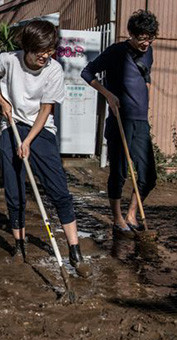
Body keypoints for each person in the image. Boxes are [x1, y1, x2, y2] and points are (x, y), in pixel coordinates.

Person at [0, 20, 91, 277]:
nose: (45, 55)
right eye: (40, 51)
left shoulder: (53, 70)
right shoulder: (8, 60)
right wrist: (2, 101)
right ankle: (20, 246)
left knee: (59, 190)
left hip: (40, 130)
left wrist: (28, 141)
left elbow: (46, 110)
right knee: (15, 190)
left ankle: (74, 250)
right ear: (26, 48)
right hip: (11, 125)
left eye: (50, 50)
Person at [81, 10, 158, 239]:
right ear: (131, 34)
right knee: (119, 172)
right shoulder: (116, 52)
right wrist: (108, 94)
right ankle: (117, 219)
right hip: (120, 121)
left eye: (150, 37)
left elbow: (145, 79)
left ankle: (132, 214)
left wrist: (144, 99)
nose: (146, 42)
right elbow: (87, 72)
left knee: (149, 175)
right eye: (142, 37)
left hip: (140, 121)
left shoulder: (149, 52)